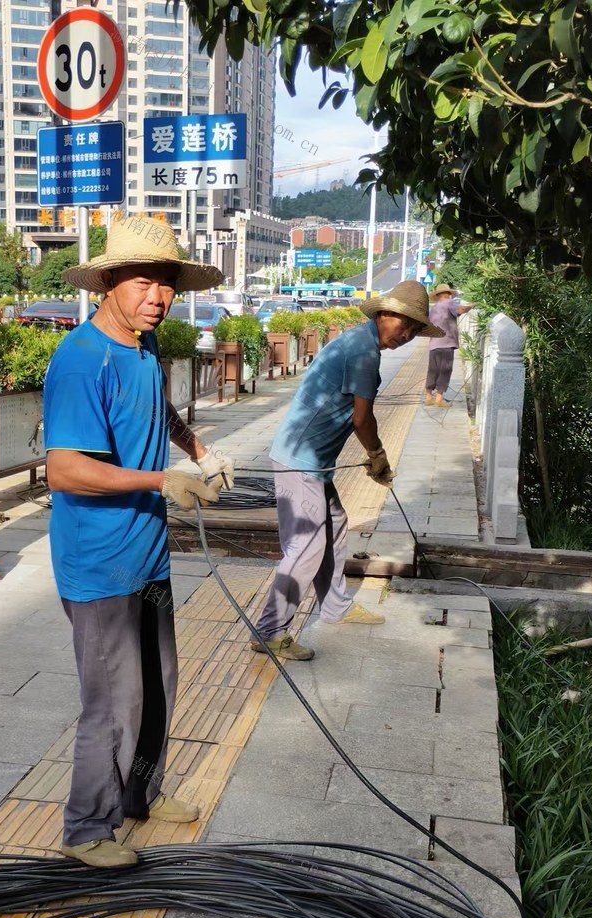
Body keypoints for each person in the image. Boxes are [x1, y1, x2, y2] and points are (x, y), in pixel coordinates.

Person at [43, 215, 235, 868]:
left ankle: (142, 796)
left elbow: (158, 407)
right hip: (99, 566)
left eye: (168, 284)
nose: (157, 295)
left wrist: (198, 449)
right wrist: (163, 478)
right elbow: (64, 468)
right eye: (144, 281)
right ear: (109, 281)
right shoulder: (80, 360)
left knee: (160, 684)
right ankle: (86, 829)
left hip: (147, 551)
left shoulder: (142, 345)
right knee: (112, 702)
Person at [252, 280, 442, 661]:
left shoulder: (363, 342)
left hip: (313, 461)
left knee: (335, 524)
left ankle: (336, 606)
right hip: (299, 460)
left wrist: (375, 456)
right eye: (405, 323)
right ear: (384, 314)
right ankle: (269, 631)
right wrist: (377, 455)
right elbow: (362, 418)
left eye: (416, 329)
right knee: (305, 546)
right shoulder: (363, 352)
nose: (407, 334)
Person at [424, 283, 474, 407]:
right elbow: (461, 310)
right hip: (446, 343)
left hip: (434, 344)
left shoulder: (434, 307)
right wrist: (471, 306)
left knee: (433, 370)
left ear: (437, 296)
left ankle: (428, 396)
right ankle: (439, 399)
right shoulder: (450, 303)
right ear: (449, 294)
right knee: (444, 370)